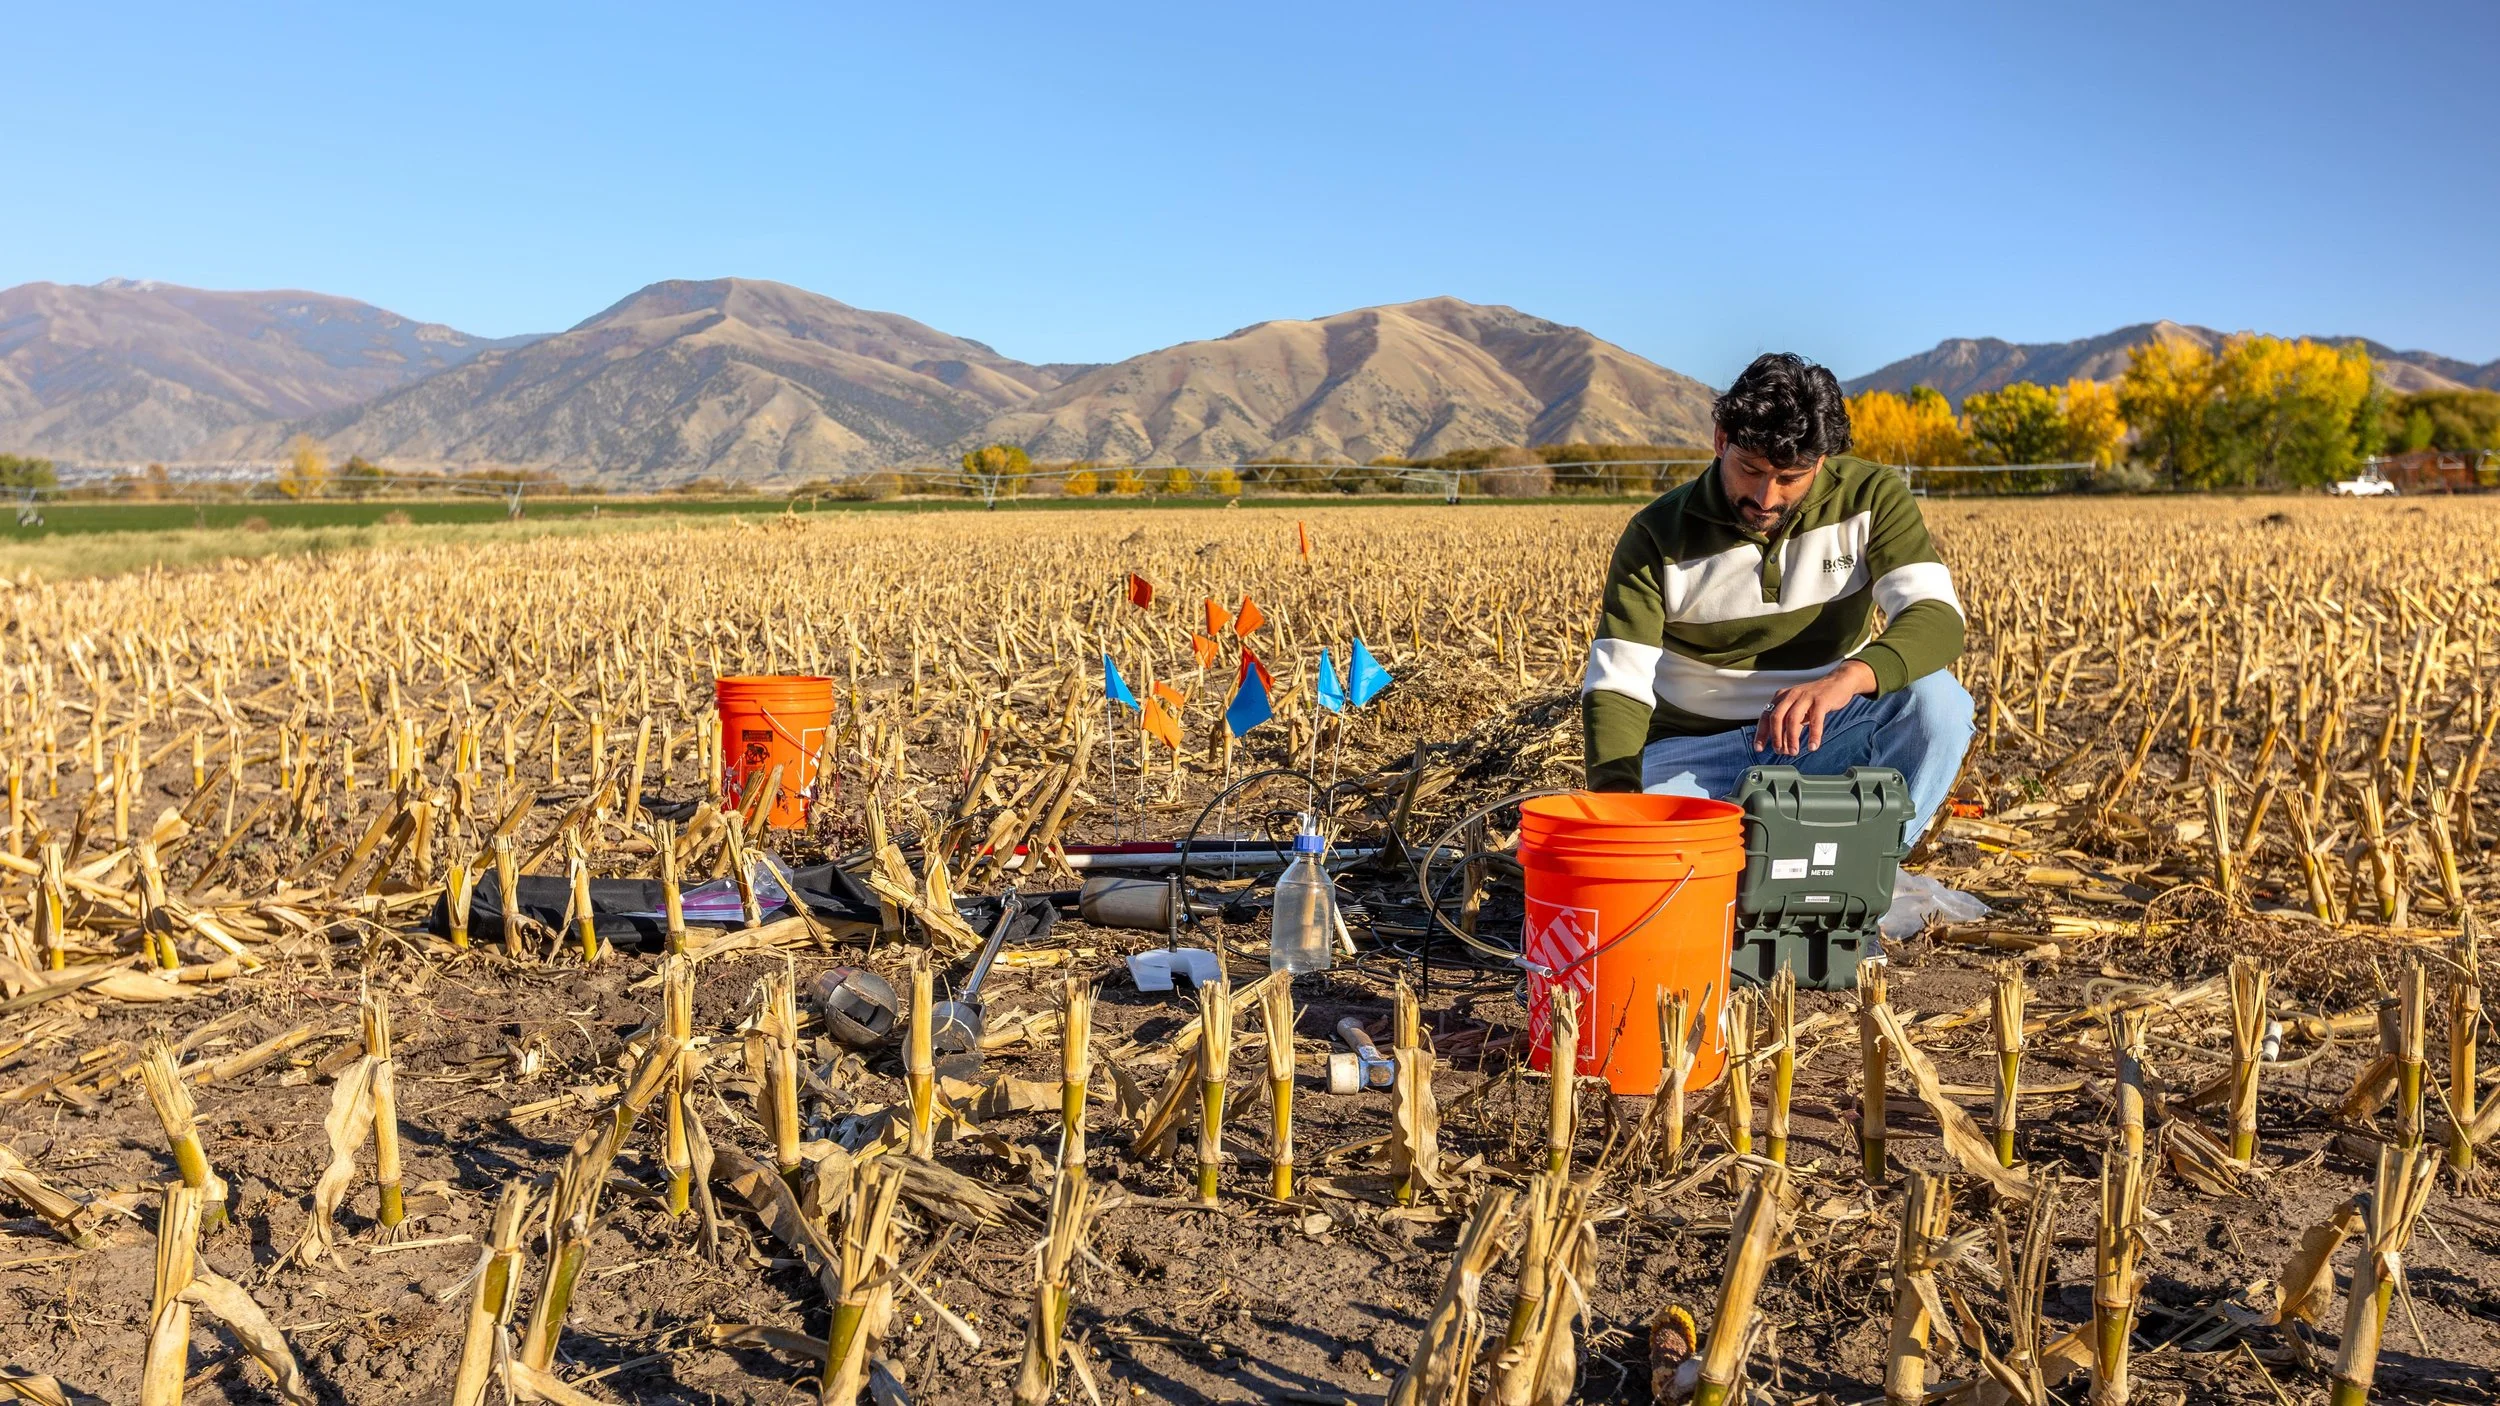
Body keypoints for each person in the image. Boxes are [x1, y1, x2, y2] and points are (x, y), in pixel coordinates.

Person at [1580, 352, 1972, 844]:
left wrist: (1845, 680)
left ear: (1822, 461)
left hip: (1822, 734)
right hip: (1690, 753)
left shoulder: (1872, 497)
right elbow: (1619, 681)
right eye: (1750, 469)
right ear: (1721, 439)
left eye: (1789, 479)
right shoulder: (1656, 535)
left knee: (1937, 703)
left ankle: (1874, 866)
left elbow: (1936, 616)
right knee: (1667, 860)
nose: (1766, 498)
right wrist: (1618, 809)